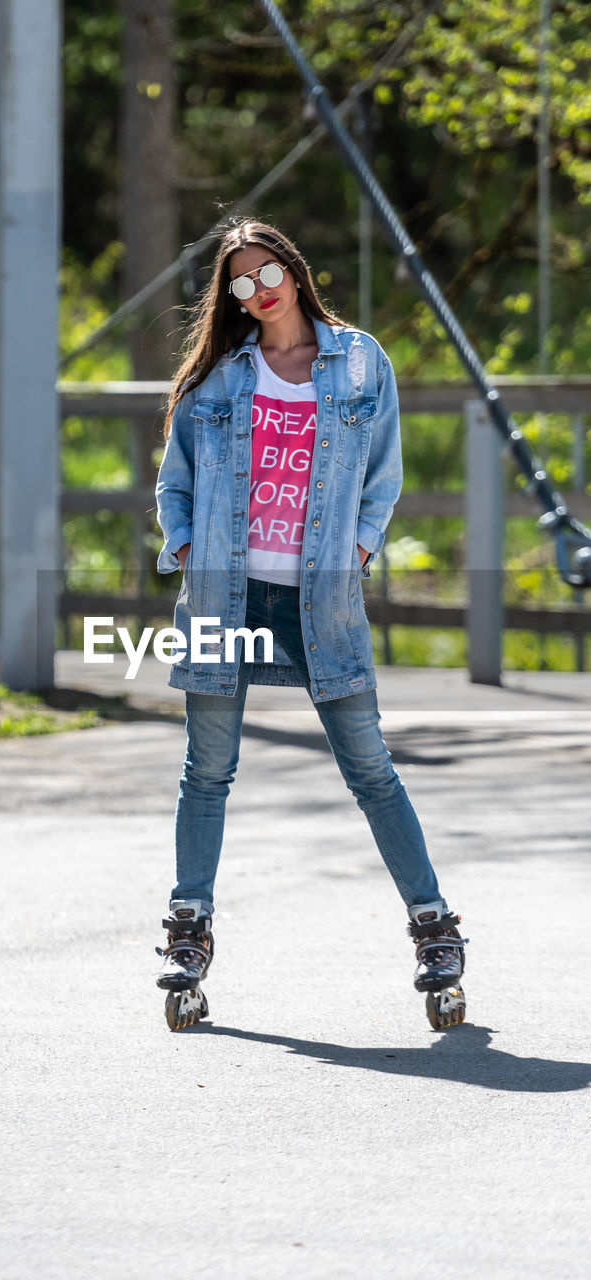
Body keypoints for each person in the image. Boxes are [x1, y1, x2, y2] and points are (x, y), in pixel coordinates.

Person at [154, 219, 465, 1022]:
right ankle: (189, 926)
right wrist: (187, 548)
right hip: (228, 595)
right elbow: (175, 483)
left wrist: (357, 553)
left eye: (268, 274)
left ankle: (432, 924)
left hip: (319, 599)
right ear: (230, 297)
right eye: (240, 284)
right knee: (207, 772)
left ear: (293, 270)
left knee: (369, 769)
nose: (258, 292)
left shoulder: (359, 360)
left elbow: (382, 475)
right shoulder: (220, 378)